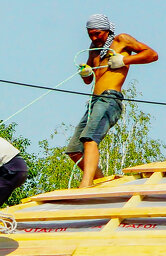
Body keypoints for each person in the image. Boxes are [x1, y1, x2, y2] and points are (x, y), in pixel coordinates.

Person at [67, 14, 157, 189]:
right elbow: (89, 79)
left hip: (110, 98)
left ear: (107, 30)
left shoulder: (121, 40)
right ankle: (101, 182)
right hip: (94, 102)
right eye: (90, 34)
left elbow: (152, 55)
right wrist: (85, 73)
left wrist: (125, 59)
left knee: (90, 138)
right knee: (74, 149)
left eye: (97, 34)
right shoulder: (93, 48)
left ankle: (85, 185)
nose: (94, 37)